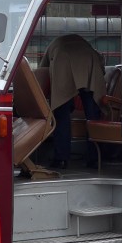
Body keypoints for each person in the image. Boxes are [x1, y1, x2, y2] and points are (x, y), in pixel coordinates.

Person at [40, 33, 105, 169]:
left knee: (61, 113)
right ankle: (94, 159)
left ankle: (61, 159)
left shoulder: (53, 46)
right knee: (92, 115)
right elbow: (101, 65)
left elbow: (42, 73)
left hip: (62, 59)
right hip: (89, 59)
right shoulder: (82, 43)